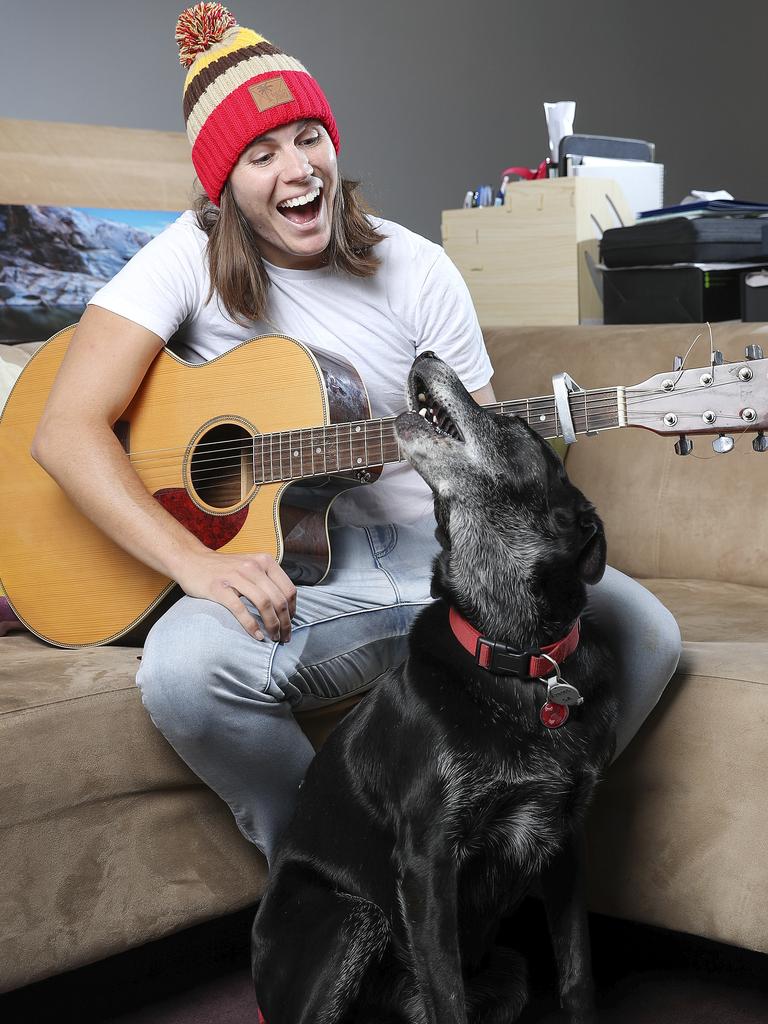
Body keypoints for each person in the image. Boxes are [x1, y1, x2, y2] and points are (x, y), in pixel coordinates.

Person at [31, 3, 680, 865]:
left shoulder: (417, 269)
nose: (297, 171)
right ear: (225, 188)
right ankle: (335, 873)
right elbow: (65, 430)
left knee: (646, 635)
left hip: (433, 559)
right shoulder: (186, 258)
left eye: (308, 138)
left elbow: (490, 471)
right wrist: (195, 562)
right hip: (303, 578)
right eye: (262, 155)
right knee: (183, 677)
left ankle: (509, 856)